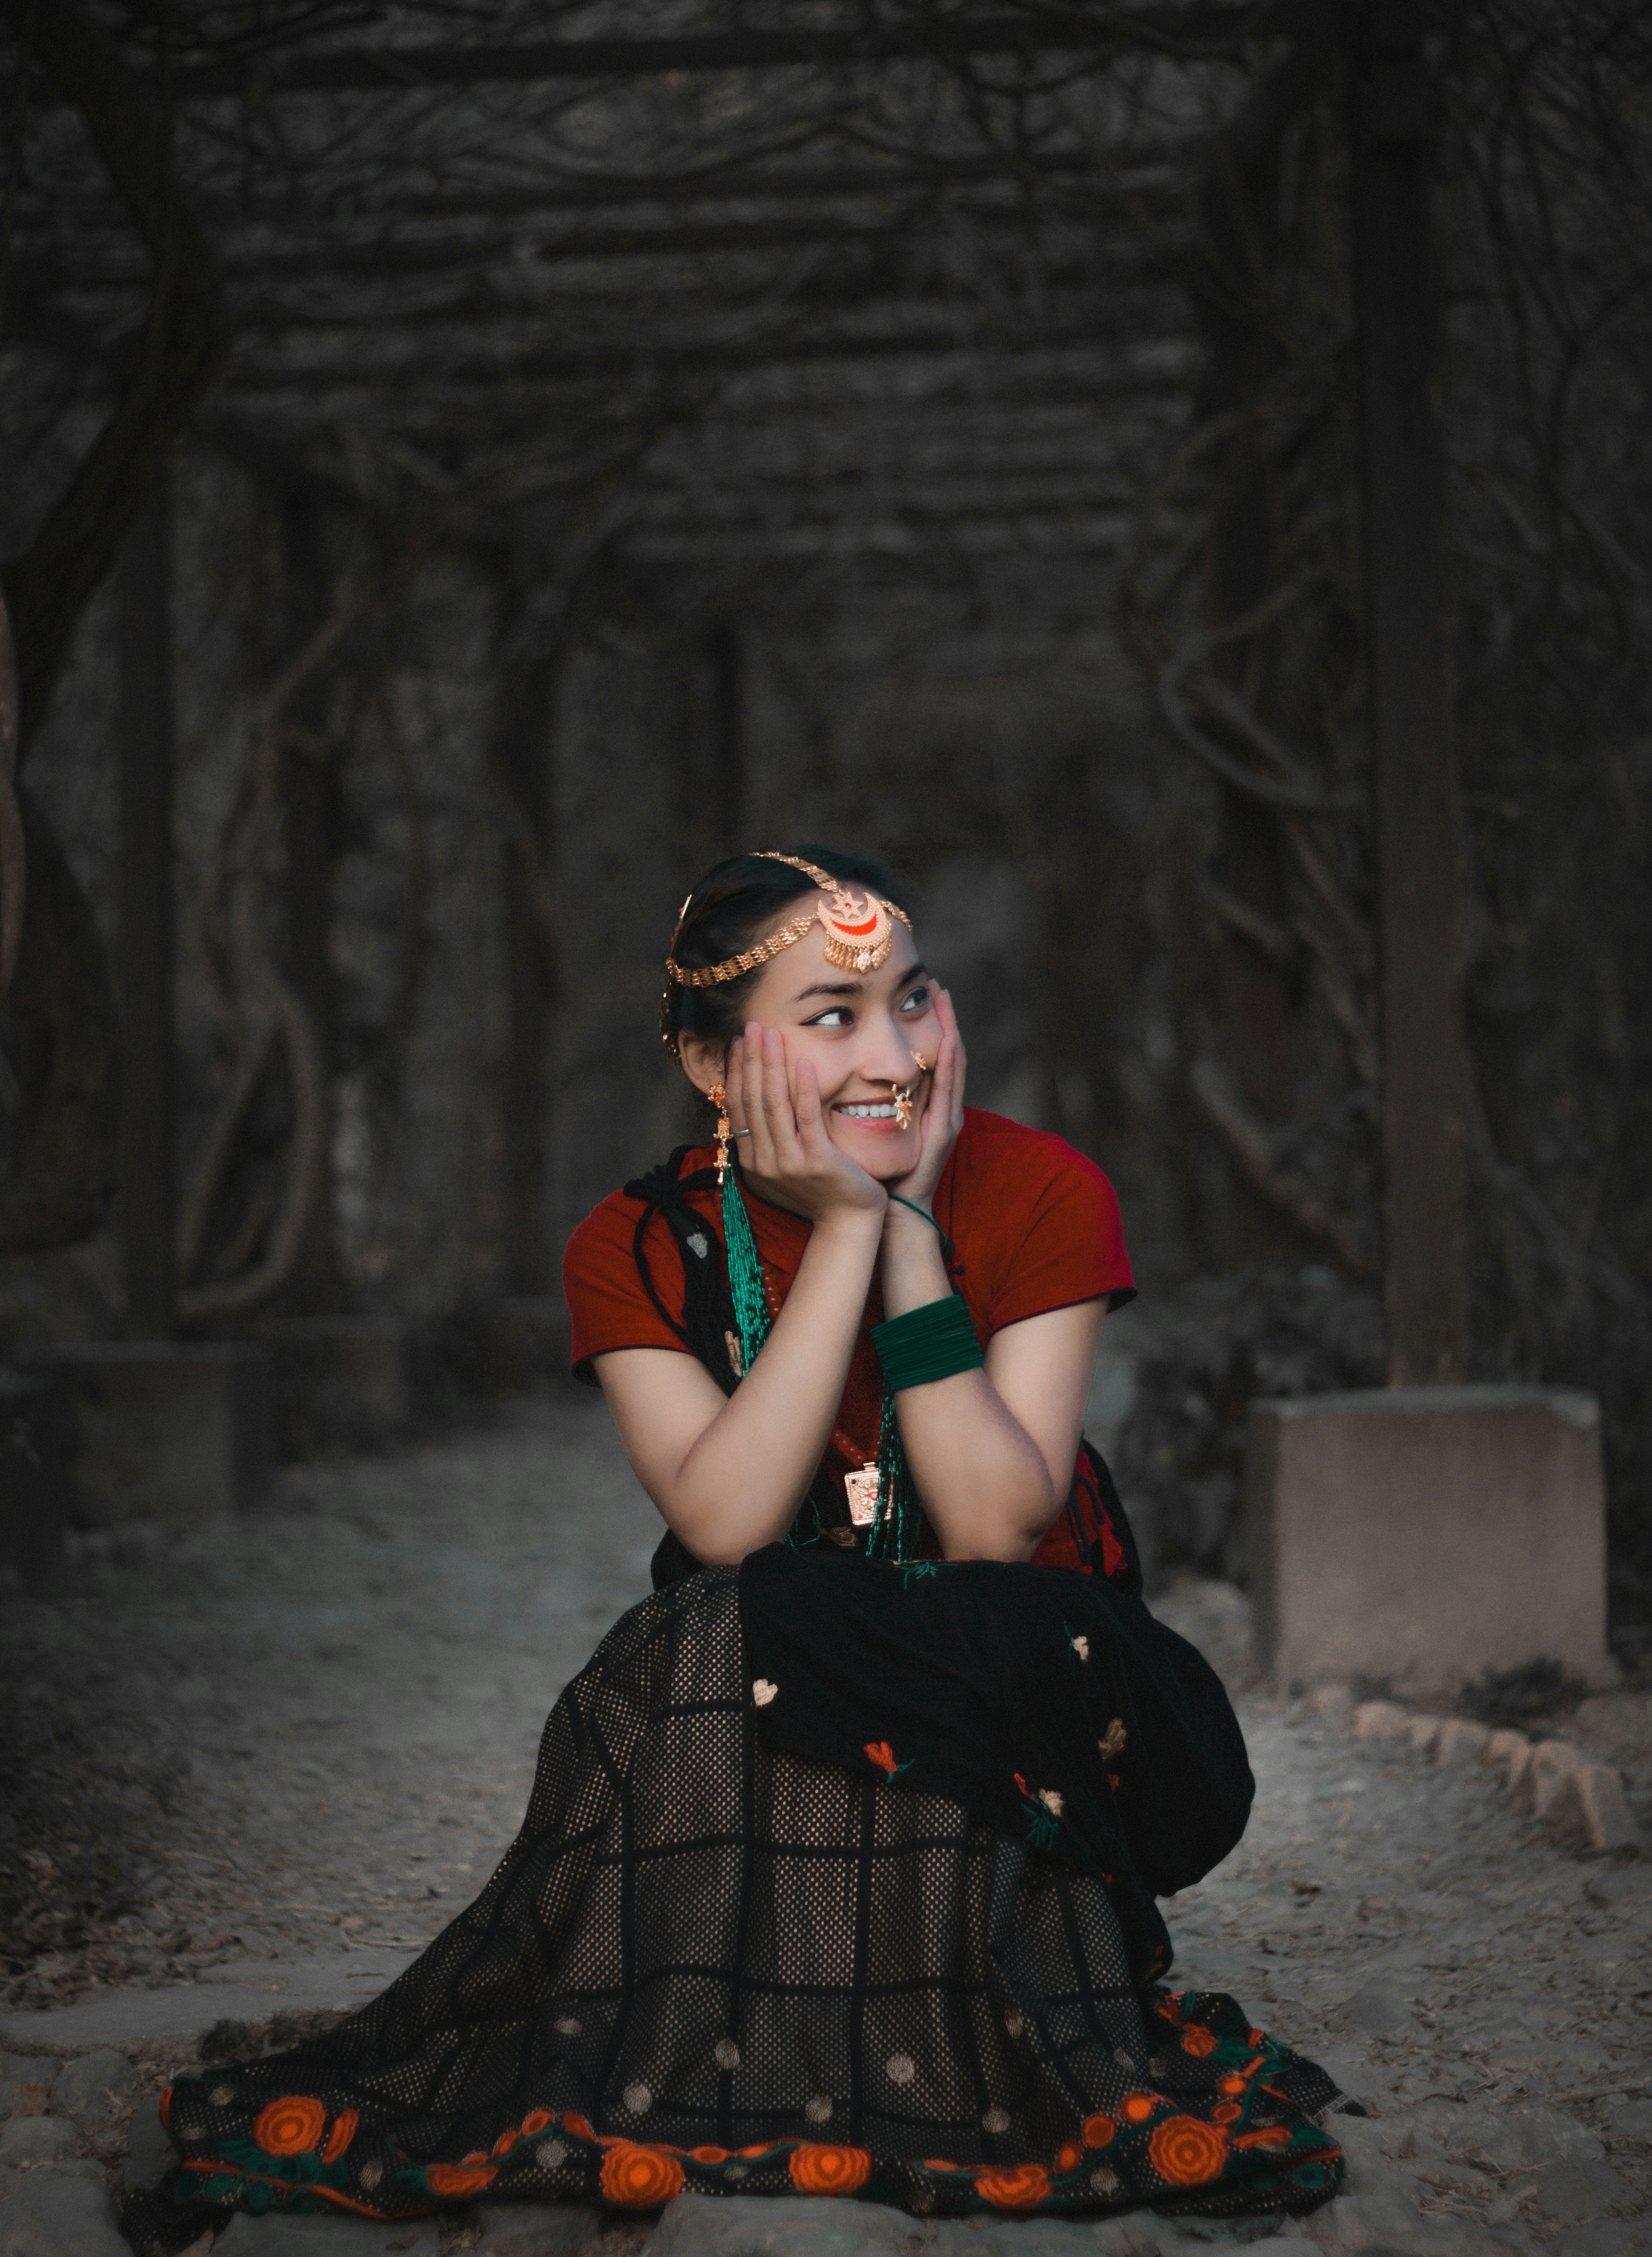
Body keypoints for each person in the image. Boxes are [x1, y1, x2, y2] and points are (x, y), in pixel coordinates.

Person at [130, 848, 1343, 2252]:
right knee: (745, 1612)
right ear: (718, 1070)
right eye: (833, 1016)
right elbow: (726, 1522)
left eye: (912, 996)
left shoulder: (1039, 1187)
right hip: (759, 1690)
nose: (893, 1052)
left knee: (944, 1620)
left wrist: (907, 1239)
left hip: (1040, 1684)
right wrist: (837, 1229)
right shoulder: (636, 1242)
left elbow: (998, 1524)